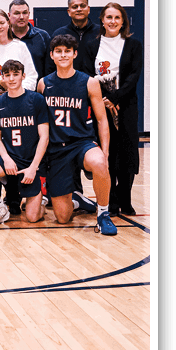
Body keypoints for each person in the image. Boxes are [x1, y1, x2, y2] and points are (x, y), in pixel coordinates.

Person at [37, 34, 117, 235]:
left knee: (99, 163)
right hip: (56, 149)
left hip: (82, 143)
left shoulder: (89, 82)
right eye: (58, 52)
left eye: (67, 51)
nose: (63, 55)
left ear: (74, 54)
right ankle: (76, 199)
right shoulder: (43, 84)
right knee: (62, 218)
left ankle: (103, 214)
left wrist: (104, 152)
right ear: (52, 55)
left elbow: (101, 120)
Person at [83, 2, 143, 215]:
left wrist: (115, 97)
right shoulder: (91, 46)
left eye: (117, 18)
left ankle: (125, 199)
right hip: (101, 107)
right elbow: (88, 76)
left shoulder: (134, 45)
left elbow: (134, 76)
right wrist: (103, 100)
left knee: (128, 154)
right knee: (109, 154)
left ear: (123, 21)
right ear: (102, 20)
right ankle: (111, 200)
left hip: (126, 106)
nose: (113, 21)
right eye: (109, 17)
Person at [0, 60, 50, 226]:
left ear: (23, 76)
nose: (11, 78)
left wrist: (33, 167)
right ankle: (1, 209)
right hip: (9, 157)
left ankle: (42, 201)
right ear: (2, 78)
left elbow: (44, 137)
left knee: (32, 217)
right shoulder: (0, 103)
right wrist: (6, 158)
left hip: (31, 161)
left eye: (15, 74)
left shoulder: (36, 99)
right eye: (7, 75)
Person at [0, 9, 38, 91]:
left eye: (2, 23)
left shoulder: (20, 47)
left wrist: (16, 91)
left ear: (8, 23)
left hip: (19, 98)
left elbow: (31, 76)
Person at [45, 0, 99, 75]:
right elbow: (50, 65)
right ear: (68, 12)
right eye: (75, 7)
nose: (79, 9)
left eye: (82, 6)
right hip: (66, 84)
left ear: (88, 9)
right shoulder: (59, 34)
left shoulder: (100, 32)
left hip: (95, 84)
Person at [8, 0, 51, 81]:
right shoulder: (4, 38)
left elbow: (50, 68)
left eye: (24, 13)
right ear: (9, 15)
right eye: (17, 13)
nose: (21, 17)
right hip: (10, 91)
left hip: (37, 90)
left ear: (29, 14)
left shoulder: (43, 36)